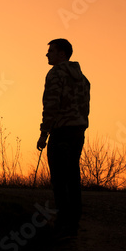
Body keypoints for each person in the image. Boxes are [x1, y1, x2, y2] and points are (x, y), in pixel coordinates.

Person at [37, 38, 90, 239]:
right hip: (78, 131)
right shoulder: (83, 79)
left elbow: (50, 106)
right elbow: (86, 107)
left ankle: (63, 225)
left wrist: (44, 133)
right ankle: (73, 223)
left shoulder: (55, 74)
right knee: (73, 178)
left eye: (51, 51)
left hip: (61, 132)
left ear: (62, 54)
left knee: (60, 180)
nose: (47, 54)